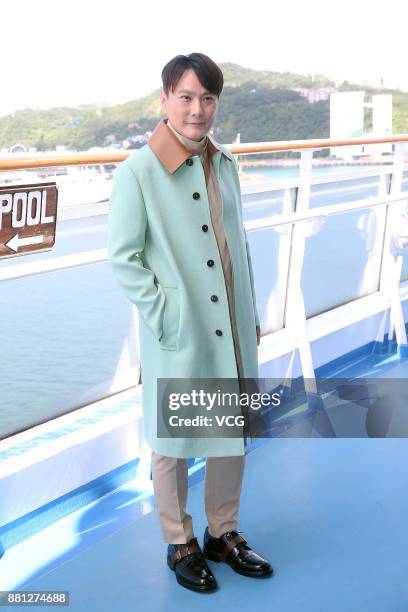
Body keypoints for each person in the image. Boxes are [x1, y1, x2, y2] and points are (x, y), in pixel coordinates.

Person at [107, 52, 273, 593]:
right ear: (164, 100)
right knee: (172, 440)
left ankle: (222, 534)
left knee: (230, 434)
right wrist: (166, 314)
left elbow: (237, 243)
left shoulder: (223, 162)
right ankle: (179, 541)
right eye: (186, 97)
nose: (197, 109)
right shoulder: (138, 171)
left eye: (207, 98)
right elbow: (124, 259)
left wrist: (250, 313)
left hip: (231, 317)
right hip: (181, 326)